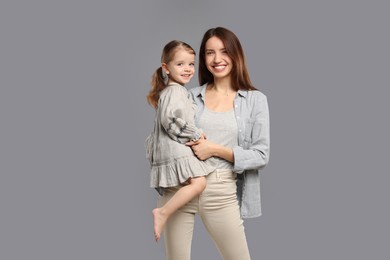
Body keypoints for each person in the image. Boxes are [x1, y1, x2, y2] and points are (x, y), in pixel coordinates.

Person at [157, 27, 270, 260]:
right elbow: (165, 135)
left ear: (236, 55)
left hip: (221, 190)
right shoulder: (188, 96)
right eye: (210, 53)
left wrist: (215, 149)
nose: (217, 59)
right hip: (180, 187)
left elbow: (261, 155)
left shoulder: (254, 100)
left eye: (224, 51)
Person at [145, 40, 214, 242]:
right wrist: (195, 134)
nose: (187, 69)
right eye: (180, 64)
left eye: (191, 64)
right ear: (166, 68)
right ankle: (163, 212)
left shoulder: (172, 91)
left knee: (194, 183)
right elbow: (171, 121)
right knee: (199, 182)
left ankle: (167, 212)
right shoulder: (175, 91)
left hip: (171, 148)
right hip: (175, 149)